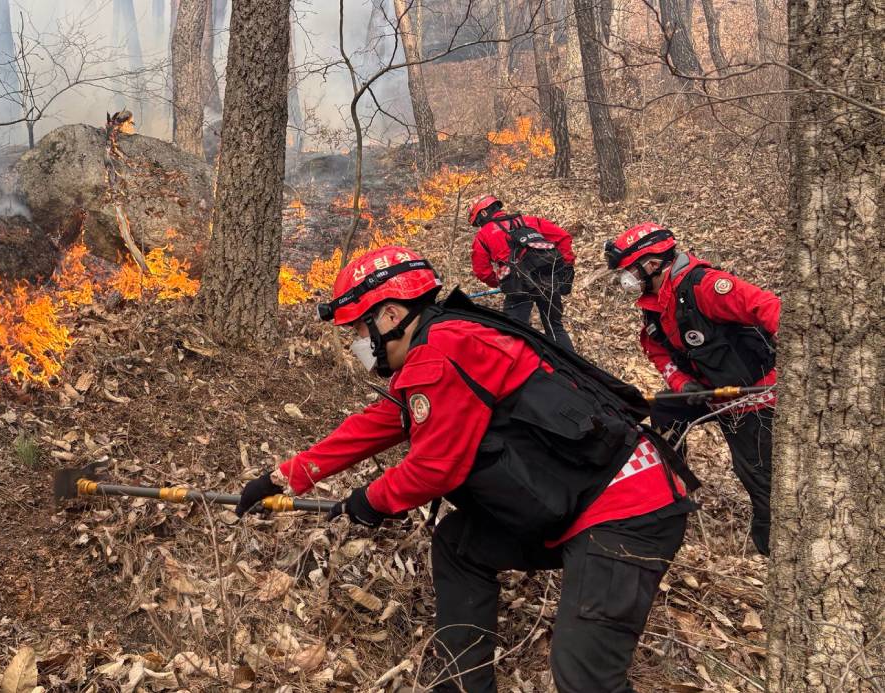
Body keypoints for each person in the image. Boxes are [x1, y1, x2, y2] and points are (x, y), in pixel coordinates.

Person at [236, 245, 695, 692]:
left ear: (391, 316)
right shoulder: (441, 341)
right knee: (459, 545)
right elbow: (376, 424)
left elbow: (435, 469)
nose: (358, 343)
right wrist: (284, 477)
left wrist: (368, 502)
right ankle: (461, 682)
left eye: (359, 328)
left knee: (584, 676)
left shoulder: (442, 352)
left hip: (628, 510)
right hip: (579, 502)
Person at [605, 223, 779, 555]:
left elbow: (769, 308)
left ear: (652, 264)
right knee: (664, 410)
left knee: (758, 475)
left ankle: (773, 548)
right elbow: (656, 350)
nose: (626, 279)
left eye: (629, 269)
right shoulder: (654, 304)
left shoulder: (707, 287)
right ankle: (672, 493)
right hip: (710, 391)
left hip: (754, 396)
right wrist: (682, 384)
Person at [468, 195, 576, 350]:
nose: (479, 225)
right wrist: (566, 266)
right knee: (555, 328)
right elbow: (564, 238)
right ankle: (570, 370)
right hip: (547, 278)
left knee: (514, 334)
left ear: (483, 213)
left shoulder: (483, 235)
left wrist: (501, 282)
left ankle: (526, 369)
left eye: (478, 221)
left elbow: (482, 272)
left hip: (518, 287)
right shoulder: (528, 221)